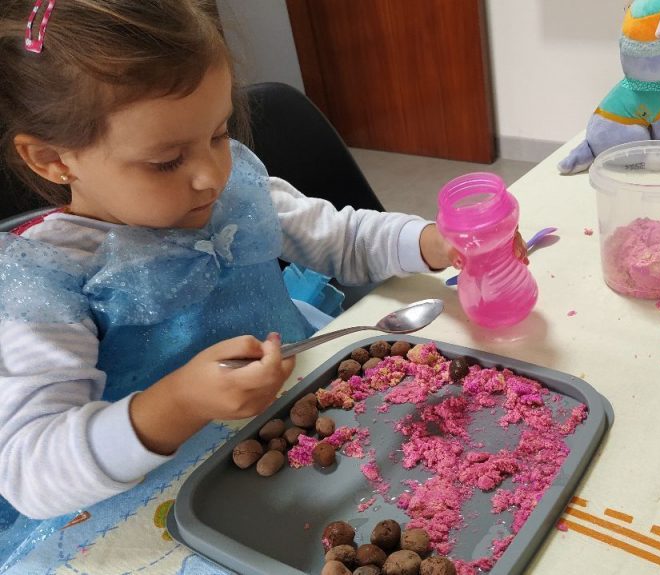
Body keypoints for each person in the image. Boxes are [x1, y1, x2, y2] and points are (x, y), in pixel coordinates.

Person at [0, 0, 526, 527]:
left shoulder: (235, 192)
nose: (211, 175)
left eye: (218, 134)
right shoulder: (47, 283)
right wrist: (179, 404)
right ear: (52, 159)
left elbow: (341, 236)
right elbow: (29, 469)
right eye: (166, 162)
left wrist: (433, 242)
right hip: (157, 497)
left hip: (304, 430)